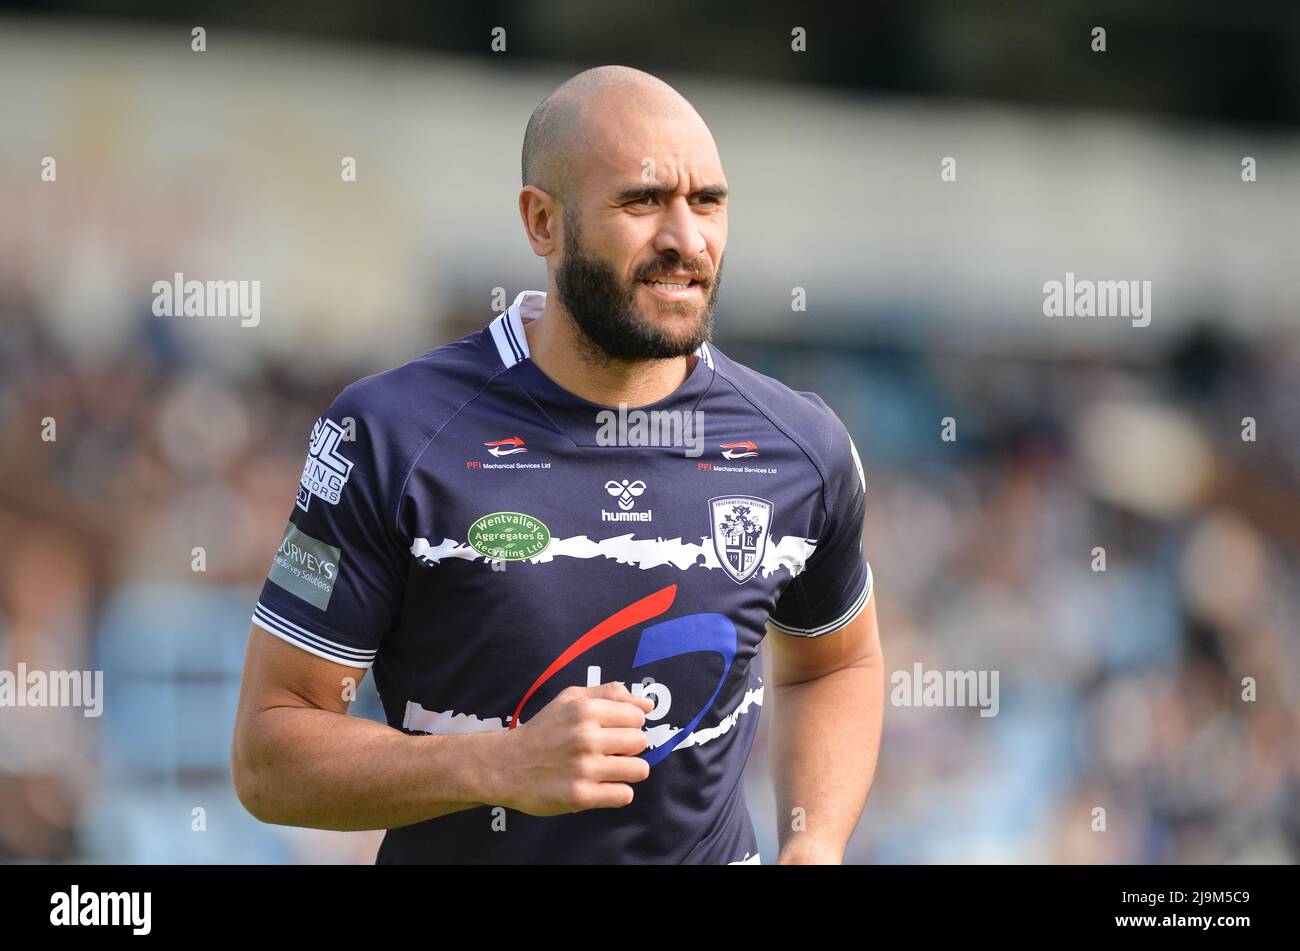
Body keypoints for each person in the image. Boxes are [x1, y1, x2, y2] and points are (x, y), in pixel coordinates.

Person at [232, 65, 883, 864]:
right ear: (543, 223)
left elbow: (834, 663)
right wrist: (496, 765)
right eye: (642, 202)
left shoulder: (800, 445)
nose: (687, 238)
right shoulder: (391, 433)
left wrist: (814, 842)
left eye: (707, 202)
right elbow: (269, 760)